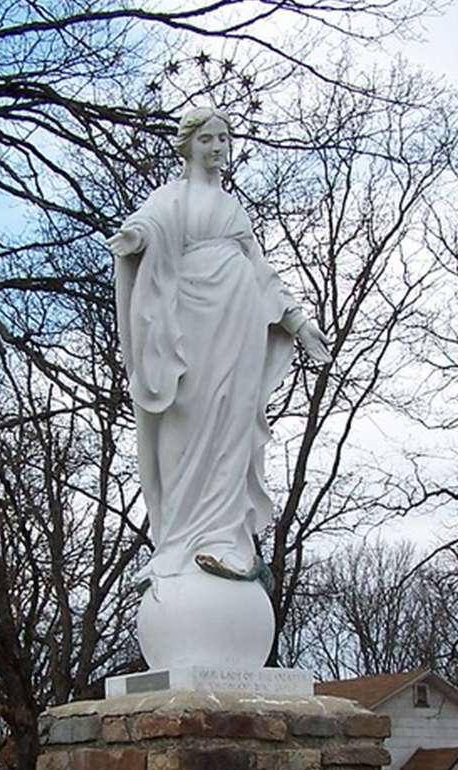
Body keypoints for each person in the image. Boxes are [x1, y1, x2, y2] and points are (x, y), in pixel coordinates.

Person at [108, 107, 331, 593]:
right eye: (207, 138)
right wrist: (135, 239)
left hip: (240, 318)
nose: (217, 147)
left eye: (224, 139)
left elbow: (260, 269)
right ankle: (177, 540)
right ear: (188, 145)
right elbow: (149, 226)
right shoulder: (171, 198)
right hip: (188, 321)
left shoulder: (234, 211)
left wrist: (297, 320)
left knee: (232, 419)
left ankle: (226, 538)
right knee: (185, 416)